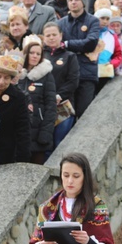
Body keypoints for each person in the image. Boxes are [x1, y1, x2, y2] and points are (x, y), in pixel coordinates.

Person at [57, 0, 100, 119]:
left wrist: (68, 44)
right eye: (70, 0)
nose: (73, 2)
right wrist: (80, 46)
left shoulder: (93, 21)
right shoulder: (61, 23)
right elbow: (57, 45)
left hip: (86, 73)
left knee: (84, 114)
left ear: (83, 2)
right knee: (67, 115)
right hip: (67, 74)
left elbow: (91, 43)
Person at [18, 35, 56, 165]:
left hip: (39, 132)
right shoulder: (18, 75)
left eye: (38, 54)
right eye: (32, 53)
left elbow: (51, 106)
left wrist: (45, 133)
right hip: (21, 134)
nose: (34, 56)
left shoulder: (46, 76)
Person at [42, 22, 80, 151]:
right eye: (48, 35)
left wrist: (59, 95)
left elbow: (73, 81)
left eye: (54, 34)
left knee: (60, 143)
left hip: (63, 106)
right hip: (44, 107)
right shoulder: (39, 56)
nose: (51, 37)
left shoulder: (70, 56)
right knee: (45, 144)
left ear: (61, 35)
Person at [0, 54, 30, 165]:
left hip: (5, 152)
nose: (2, 81)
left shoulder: (18, 97)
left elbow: (23, 129)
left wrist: (22, 160)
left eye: (6, 78)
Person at [94, 6, 122, 94]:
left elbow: (118, 55)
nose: (105, 21)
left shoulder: (112, 36)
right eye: (102, 18)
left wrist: (111, 64)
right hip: (90, 72)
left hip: (105, 73)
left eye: (107, 19)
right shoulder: (90, 33)